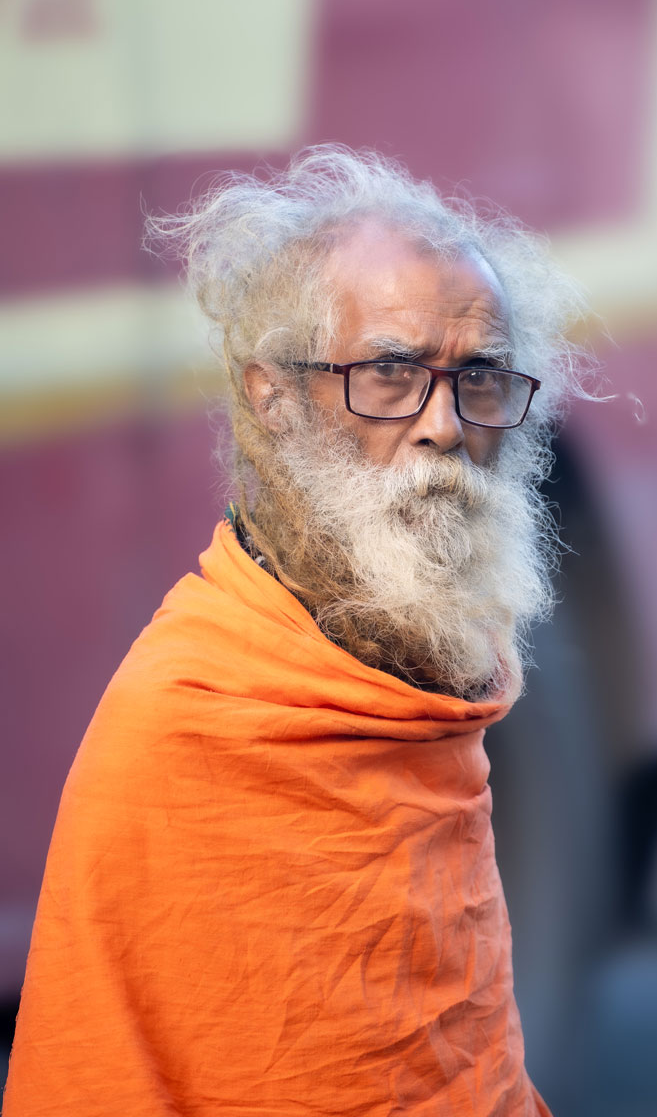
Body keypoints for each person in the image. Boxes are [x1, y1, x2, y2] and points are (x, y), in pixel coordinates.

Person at [4, 147, 582, 1115]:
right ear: (272, 398)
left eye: (478, 377)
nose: (443, 423)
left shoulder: (439, 675)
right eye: (391, 372)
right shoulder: (185, 720)